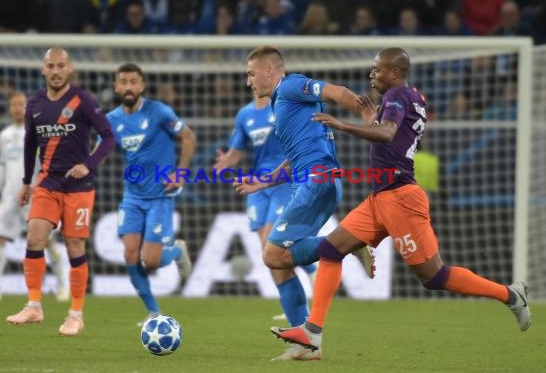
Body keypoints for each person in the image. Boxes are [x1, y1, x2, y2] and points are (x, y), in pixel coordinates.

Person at [271, 47, 532, 357]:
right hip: (379, 198)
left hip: (400, 197)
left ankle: (510, 295)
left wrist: (344, 125)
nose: (372, 74)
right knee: (330, 248)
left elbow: (387, 134)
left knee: (434, 277)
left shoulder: (398, 97)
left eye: (377, 69)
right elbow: (390, 129)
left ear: (395, 72)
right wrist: (371, 116)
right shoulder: (407, 98)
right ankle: (312, 333)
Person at [233, 45, 375, 361]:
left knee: (272, 255)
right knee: (281, 262)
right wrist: (264, 181)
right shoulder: (280, 105)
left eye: (251, 73)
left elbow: (335, 91)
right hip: (314, 181)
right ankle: (307, 343)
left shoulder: (293, 85)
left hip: (317, 180)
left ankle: (349, 241)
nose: (249, 81)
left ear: (269, 70)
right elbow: (294, 156)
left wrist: (367, 113)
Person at [5, 47, 116, 337]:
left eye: (60, 65)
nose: (55, 71)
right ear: (43, 70)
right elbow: (31, 143)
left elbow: (108, 138)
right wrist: (26, 181)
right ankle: (33, 305)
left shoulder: (83, 100)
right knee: (34, 237)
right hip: (48, 184)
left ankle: (76, 314)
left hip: (79, 187)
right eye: (50, 66)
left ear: (70, 69)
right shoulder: (35, 104)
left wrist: (87, 165)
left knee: (74, 248)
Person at [214, 93, 322, 322]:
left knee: (272, 248)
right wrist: (226, 161)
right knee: (268, 253)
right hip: (257, 187)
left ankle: (313, 279)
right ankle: (296, 303)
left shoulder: (283, 107)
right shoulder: (245, 113)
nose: (250, 81)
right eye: (248, 75)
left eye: (253, 74)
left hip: (283, 181)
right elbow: (237, 150)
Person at [106, 63, 195, 326]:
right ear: (116, 87)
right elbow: (101, 151)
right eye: (123, 81)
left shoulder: (159, 111)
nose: (129, 86)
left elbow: (188, 137)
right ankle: (153, 311)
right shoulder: (111, 120)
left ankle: (177, 251)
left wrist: (180, 172)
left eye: (134, 81)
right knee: (130, 255)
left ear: (142, 85)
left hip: (159, 196)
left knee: (152, 261)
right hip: (132, 197)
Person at [0, 92, 68, 302]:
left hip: (35, 194)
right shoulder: (5, 135)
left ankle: (63, 286)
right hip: (9, 195)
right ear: (9, 108)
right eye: (13, 104)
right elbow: (1, 166)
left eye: (21, 104)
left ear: (28, 107)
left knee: (47, 241)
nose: (17, 108)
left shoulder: (39, 131)